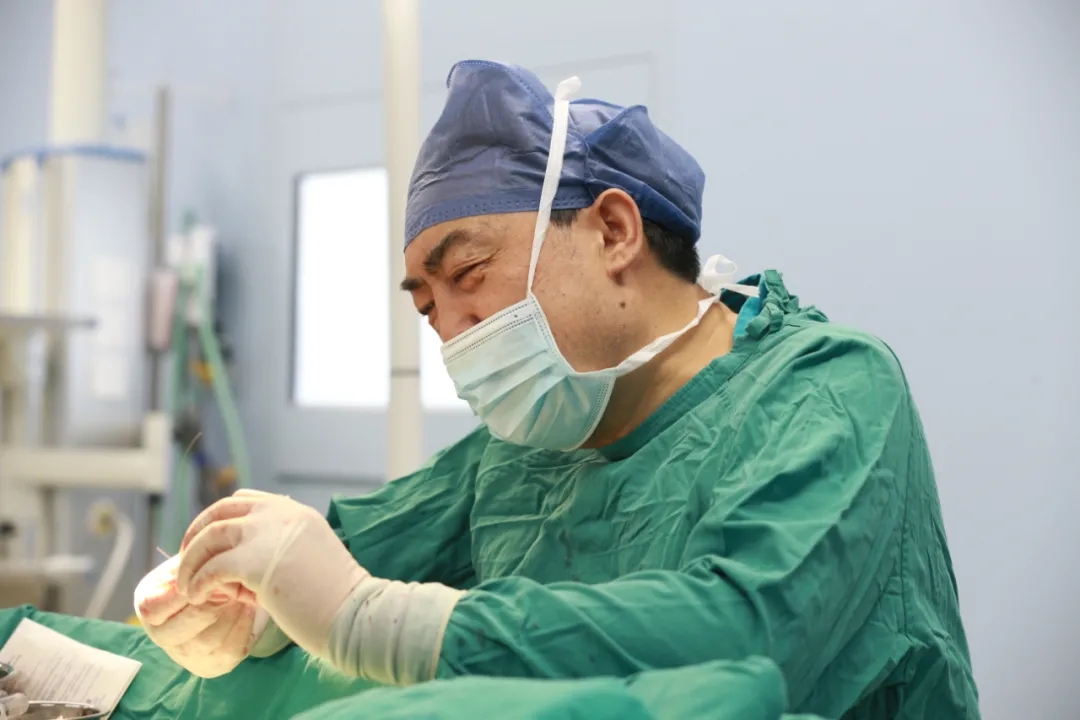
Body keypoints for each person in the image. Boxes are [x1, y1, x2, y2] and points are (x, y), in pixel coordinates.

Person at [136, 60, 980, 719]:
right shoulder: (526, 445)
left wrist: (364, 619)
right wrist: (246, 606)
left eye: (470, 273)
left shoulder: (831, 390)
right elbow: (348, 548)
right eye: (427, 308)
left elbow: (746, 637)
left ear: (613, 230)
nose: (452, 329)